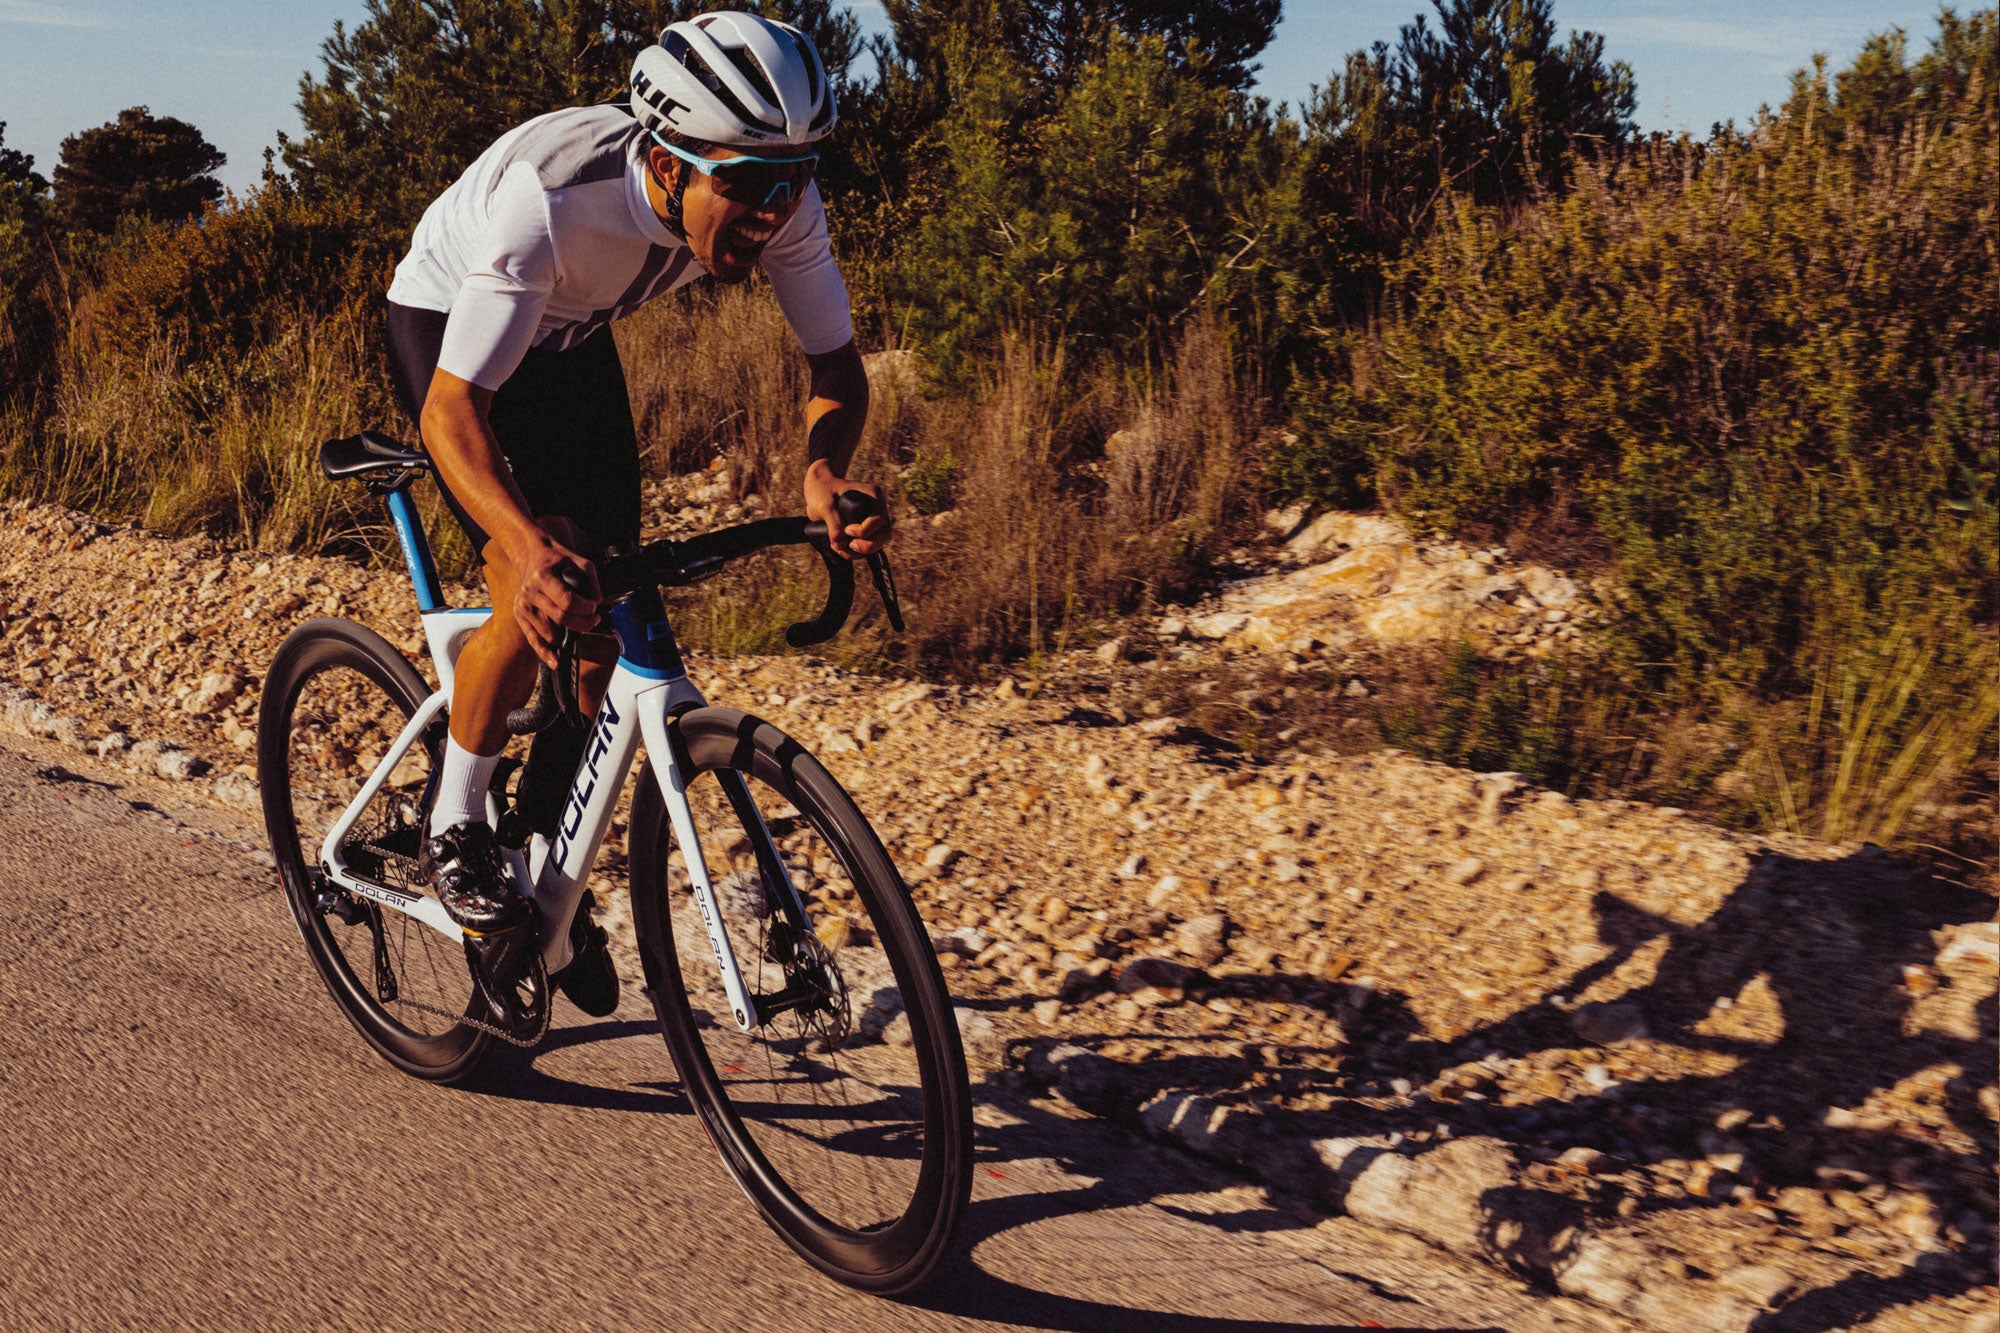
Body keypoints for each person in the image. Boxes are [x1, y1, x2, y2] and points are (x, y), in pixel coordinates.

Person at [380, 12, 889, 1006]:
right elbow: (453, 412)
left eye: (794, 178)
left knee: (608, 618)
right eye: (748, 183)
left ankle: (539, 861)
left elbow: (834, 361)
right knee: (540, 579)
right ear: (666, 162)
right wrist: (523, 545)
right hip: (450, 327)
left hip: (568, 336)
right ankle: (456, 821)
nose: (774, 209)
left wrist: (824, 472)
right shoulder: (553, 201)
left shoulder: (781, 199)